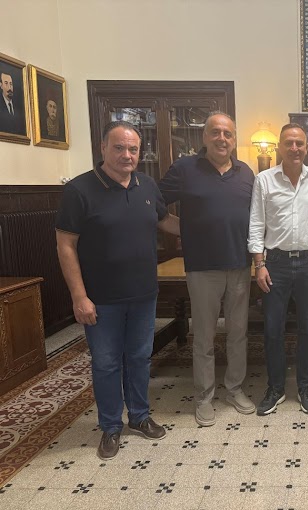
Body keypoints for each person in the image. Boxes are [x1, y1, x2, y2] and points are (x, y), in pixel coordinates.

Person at [55, 121, 180, 460]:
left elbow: (164, 221)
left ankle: (139, 416)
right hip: (101, 299)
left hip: (143, 294)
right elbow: (65, 245)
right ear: (103, 148)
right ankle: (110, 425)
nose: (127, 155)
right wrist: (79, 296)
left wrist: (204, 229)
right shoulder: (79, 190)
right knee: (107, 363)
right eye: (119, 148)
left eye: (133, 149)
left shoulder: (147, 185)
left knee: (139, 357)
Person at [158, 112, 256, 426]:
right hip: (202, 268)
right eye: (215, 132)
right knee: (204, 336)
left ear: (234, 139)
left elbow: (255, 218)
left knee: (238, 333)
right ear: (204, 137)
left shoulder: (246, 173)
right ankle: (204, 397)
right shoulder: (185, 169)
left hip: (239, 266)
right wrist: (183, 229)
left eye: (228, 133)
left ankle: (235, 389)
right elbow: (153, 205)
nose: (222, 138)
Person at [248, 123, 308, 416]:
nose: (295, 148)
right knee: (272, 328)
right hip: (275, 263)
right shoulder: (264, 180)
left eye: (300, 143)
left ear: (307, 148)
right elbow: (256, 223)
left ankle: (305, 386)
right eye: (289, 143)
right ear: (279, 147)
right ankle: (275, 388)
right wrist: (259, 264)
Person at [0, 68, 25, 135]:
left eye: (11, 84)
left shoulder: (19, 105)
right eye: (6, 83)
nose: (9, 88)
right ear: (1, 85)